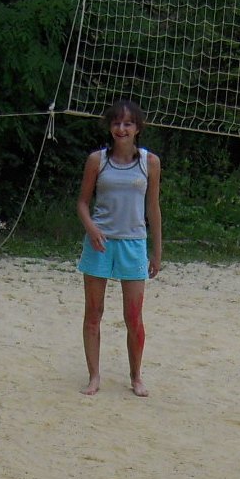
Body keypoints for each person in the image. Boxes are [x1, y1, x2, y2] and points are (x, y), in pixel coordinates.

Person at [77, 99, 163, 396]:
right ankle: (94, 376)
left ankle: (136, 376)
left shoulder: (149, 162)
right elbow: (82, 203)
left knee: (133, 317)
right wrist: (91, 228)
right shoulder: (97, 160)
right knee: (94, 313)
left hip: (134, 243)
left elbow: (153, 208)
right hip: (100, 243)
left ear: (138, 128)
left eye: (128, 123)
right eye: (116, 123)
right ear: (110, 127)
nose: (121, 129)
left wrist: (157, 251)